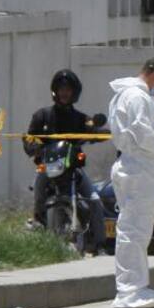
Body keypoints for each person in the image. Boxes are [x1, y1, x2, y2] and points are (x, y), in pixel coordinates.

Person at [107, 57, 154, 308]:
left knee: (133, 231)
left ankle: (134, 287)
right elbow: (142, 132)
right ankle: (130, 291)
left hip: (135, 167)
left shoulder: (128, 95)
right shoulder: (137, 97)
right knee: (135, 231)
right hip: (139, 168)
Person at [23, 69, 106, 251]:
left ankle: (99, 245)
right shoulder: (42, 116)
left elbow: (93, 128)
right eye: (61, 88)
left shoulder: (80, 119)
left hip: (72, 169)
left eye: (68, 89)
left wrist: (103, 131)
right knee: (38, 183)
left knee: (95, 201)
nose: (64, 92)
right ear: (55, 90)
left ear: (74, 92)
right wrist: (35, 149)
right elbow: (29, 138)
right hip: (49, 167)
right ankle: (38, 220)